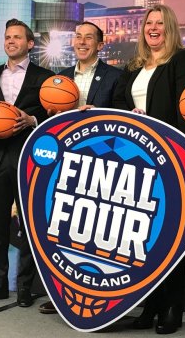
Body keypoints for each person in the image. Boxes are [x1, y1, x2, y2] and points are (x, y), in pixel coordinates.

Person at [112, 4, 185, 334]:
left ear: (170, 27)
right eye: (149, 23)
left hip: (169, 157)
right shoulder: (134, 65)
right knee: (143, 238)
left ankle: (172, 307)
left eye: (160, 23)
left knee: (169, 234)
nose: (153, 28)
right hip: (136, 160)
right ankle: (149, 306)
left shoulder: (182, 60)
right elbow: (119, 104)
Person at [38, 20, 122, 315]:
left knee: (99, 236)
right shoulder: (58, 79)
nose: (82, 41)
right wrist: (53, 116)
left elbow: (123, 121)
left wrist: (95, 116)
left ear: (100, 45)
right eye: (78, 37)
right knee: (65, 232)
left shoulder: (115, 76)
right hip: (66, 166)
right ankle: (63, 294)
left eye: (89, 38)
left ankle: (100, 296)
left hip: (101, 168)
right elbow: (48, 126)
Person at [0, 19, 54, 307]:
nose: (11, 41)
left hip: (30, 158)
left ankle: (25, 288)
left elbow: (55, 118)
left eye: (17, 37)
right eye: (7, 37)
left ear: (30, 44)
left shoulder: (45, 77)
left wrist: (32, 120)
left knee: (29, 226)